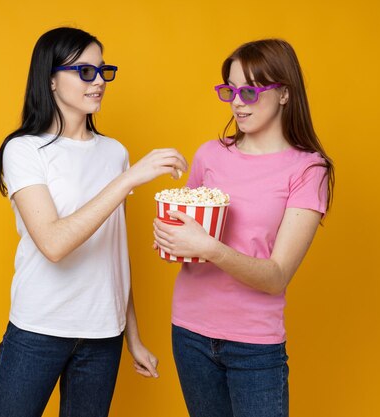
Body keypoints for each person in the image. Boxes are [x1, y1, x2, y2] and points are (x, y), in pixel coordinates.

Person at [0, 27, 187, 417]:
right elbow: (54, 244)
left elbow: (116, 252)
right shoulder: (24, 150)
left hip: (102, 336)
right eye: (84, 71)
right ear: (50, 78)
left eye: (102, 71)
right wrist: (129, 179)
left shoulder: (115, 153)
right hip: (38, 329)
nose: (98, 82)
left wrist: (133, 337)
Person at [153, 39, 335, 417]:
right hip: (189, 332)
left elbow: (276, 276)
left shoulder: (308, 170)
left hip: (254, 345)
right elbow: (187, 236)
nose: (238, 101)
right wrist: (170, 239)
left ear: (284, 94)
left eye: (250, 91)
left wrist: (209, 248)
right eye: (230, 90)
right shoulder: (209, 154)